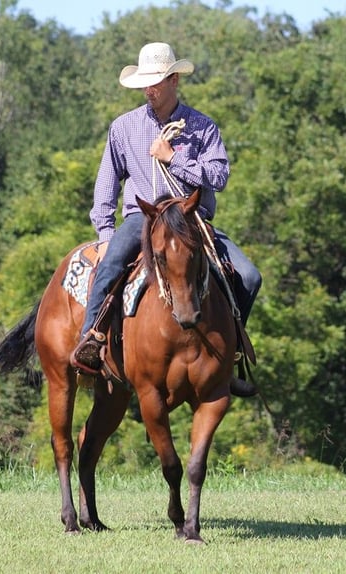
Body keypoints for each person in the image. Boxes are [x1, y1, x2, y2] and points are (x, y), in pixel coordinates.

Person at [70, 42, 262, 397]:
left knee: (249, 276)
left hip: (191, 223)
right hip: (141, 219)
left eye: (156, 80)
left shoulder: (203, 128)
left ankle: (230, 357)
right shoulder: (124, 128)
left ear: (175, 80)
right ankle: (91, 342)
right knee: (110, 265)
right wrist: (105, 231)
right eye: (145, 81)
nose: (149, 88)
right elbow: (106, 184)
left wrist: (173, 158)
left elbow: (220, 176)